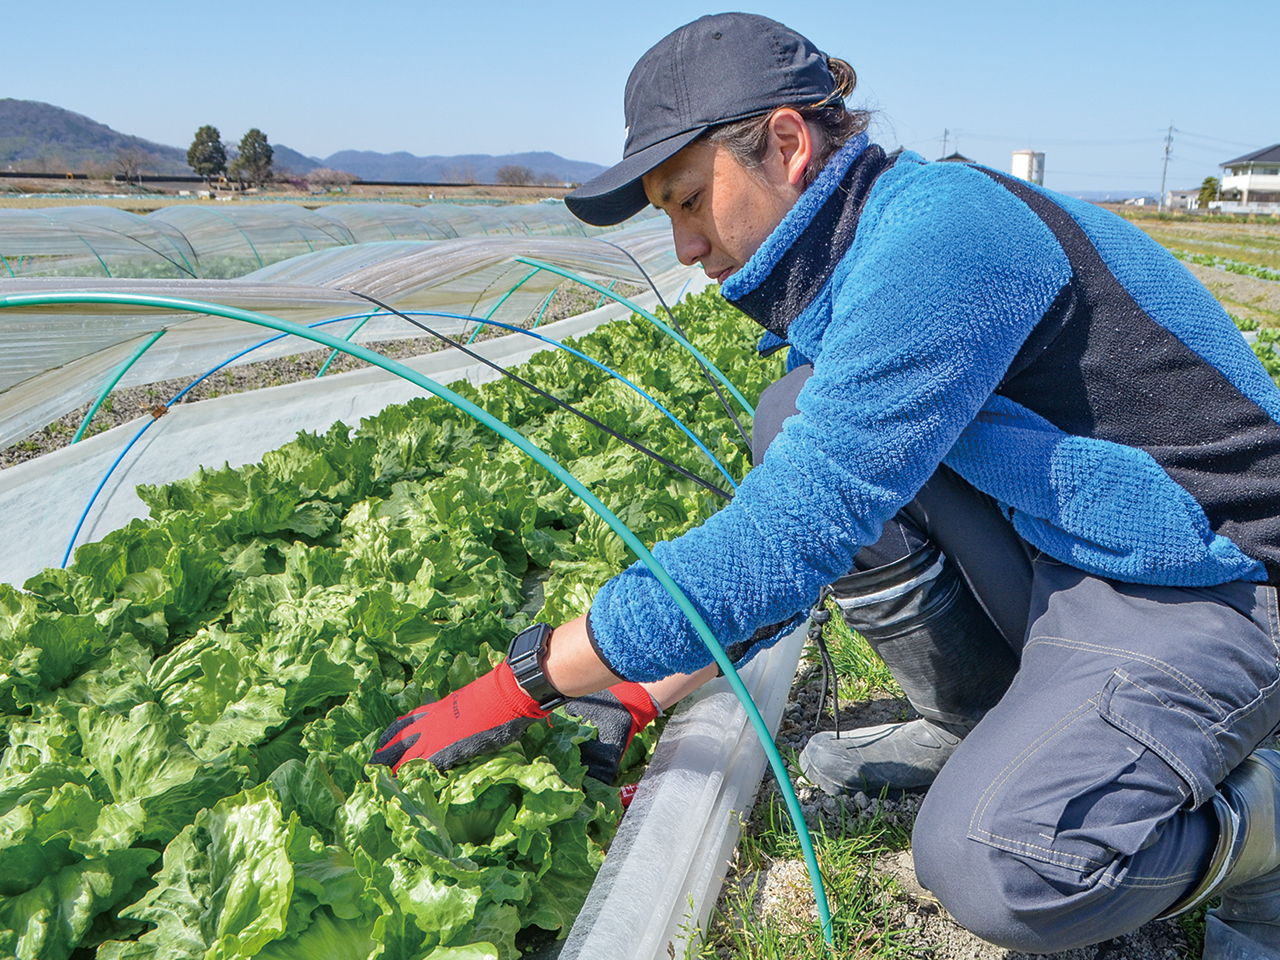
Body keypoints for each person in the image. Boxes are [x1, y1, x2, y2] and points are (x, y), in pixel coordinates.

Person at [370, 13, 1280, 957]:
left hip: (1208, 578)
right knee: (793, 415)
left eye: (687, 201)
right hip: (1077, 539)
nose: (684, 246)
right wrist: (639, 687)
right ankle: (974, 721)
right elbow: (805, 535)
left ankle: (1267, 835)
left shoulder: (945, 239)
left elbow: (786, 539)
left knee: (1000, 864)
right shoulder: (873, 246)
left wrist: (526, 680)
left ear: (789, 145)